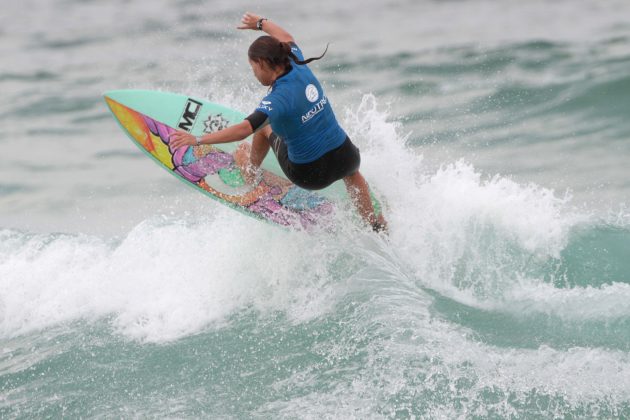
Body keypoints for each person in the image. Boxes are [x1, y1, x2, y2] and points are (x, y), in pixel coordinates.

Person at [170, 12, 387, 232]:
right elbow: (285, 35)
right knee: (352, 174)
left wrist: (196, 139)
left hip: (310, 174)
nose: (254, 73)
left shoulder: (277, 99)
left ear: (263, 63)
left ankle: (250, 172)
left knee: (263, 129)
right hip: (346, 157)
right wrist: (260, 23)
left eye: (253, 67)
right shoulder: (296, 59)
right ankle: (376, 224)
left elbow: (244, 129)